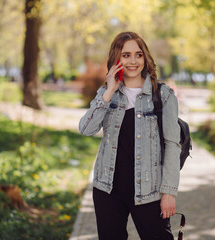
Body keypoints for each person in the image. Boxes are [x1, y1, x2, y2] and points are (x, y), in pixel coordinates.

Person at [78, 32, 181, 240]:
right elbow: (85, 129)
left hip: (149, 191)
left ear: (145, 58)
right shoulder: (107, 93)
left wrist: (169, 192)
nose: (133, 61)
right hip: (107, 190)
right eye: (126, 55)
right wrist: (108, 91)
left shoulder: (163, 94)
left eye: (138, 54)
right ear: (117, 59)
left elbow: (172, 145)